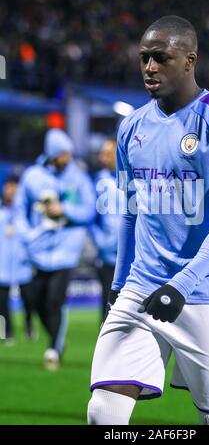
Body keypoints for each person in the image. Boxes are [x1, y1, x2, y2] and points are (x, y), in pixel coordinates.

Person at [87, 16, 209, 426]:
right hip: (142, 287)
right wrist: (118, 282)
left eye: (160, 58)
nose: (149, 67)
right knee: (103, 411)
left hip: (208, 293)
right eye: (144, 58)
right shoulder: (131, 128)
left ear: (189, 60)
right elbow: (128, 210)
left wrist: (182, 283)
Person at [16, 128, 96, 369]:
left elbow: (90, 211)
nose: (68, 158)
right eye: (63, 154)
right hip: (37, 252)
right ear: (52, 154)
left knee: (54, 300)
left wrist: (66, 210)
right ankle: (54, 340)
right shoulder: (32, 176)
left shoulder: (78, 178)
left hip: (66, 252)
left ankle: (54, 347)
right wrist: (28, 236)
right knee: (35, 300)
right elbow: (21, 210)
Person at [89, 138, 123, 322]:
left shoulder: (135, 178)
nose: (103, 158)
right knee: (108, 304)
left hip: (135, 257)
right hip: (108, 256)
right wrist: (99, 240)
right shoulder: (99, 181)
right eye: (102, 154)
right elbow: (89, 215)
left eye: (107, 154)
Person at [0, 176, 33, 343]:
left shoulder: (25, 213)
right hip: (2, 267)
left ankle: (29, 327)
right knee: (2, 304)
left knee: (29, 300)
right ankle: (6, 334)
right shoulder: (1, 212)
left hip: (23, 265)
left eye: (14, 187)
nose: (11, 191)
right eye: (8, 186)